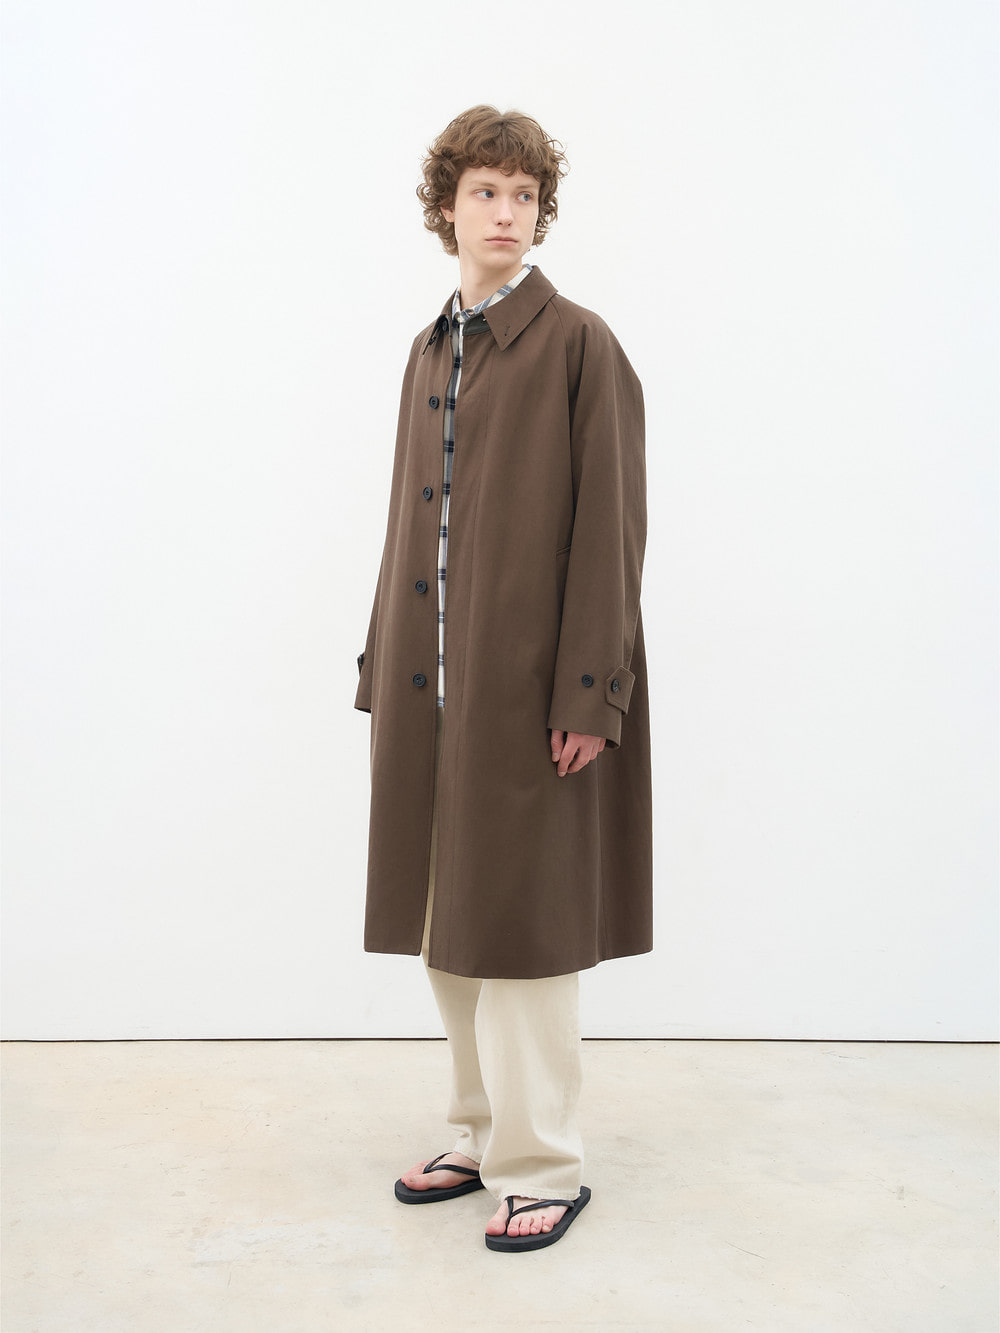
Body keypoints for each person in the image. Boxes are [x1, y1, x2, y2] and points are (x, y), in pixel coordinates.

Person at [354, 105, 652, 1252]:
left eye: (523, 195)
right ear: (448, 208)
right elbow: (404, 521)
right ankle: (479, 1131)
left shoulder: (578, 343)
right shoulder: (429, 349)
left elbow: (612, 531)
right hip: (432, 687)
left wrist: (591, 692)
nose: (506, 212)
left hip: (532, 694)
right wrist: (383, 663)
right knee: (450, 919)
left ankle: (544, 1162)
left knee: (524, 926)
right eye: (485, 192)